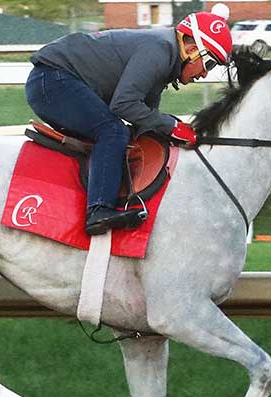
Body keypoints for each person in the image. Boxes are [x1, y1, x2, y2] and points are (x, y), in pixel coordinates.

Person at [25, 4, 234, 235]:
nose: (205, 74)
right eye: (209, 64)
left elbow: (145, 116)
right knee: (113, 131)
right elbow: (123, 105)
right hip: (52, 79)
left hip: (54, 78)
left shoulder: (165, 55)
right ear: (192, 50)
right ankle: (98, 211)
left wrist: (169, 129)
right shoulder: (159, 51)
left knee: (121, 133)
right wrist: (172, 126)